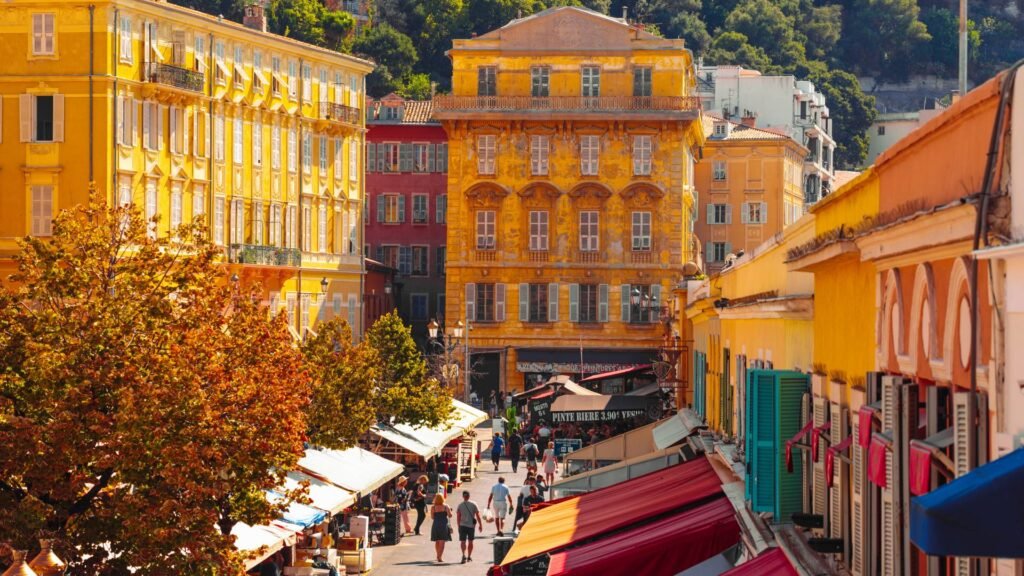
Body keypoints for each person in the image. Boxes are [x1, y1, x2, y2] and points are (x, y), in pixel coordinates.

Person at [455, 490, 483, 564]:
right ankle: (469, 556)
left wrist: (458, 526)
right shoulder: (474, 504)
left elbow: (458, 516)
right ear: (469, 496)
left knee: (463, 541)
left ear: (463, 496)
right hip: (471, 526)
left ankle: (463, 555)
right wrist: (480, 525)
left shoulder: (460, 505)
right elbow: (478, 515)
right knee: (470, 541)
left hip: (462, 526)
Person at [429, 493, 453, 562]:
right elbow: (450, 515)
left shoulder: (433, 507)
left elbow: (432, 517)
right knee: (442, 541)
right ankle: (439, 557)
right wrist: (450, 511)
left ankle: (438, 555)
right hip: (443, 525)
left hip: (436, 524)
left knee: (437, 540)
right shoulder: (446, 506)